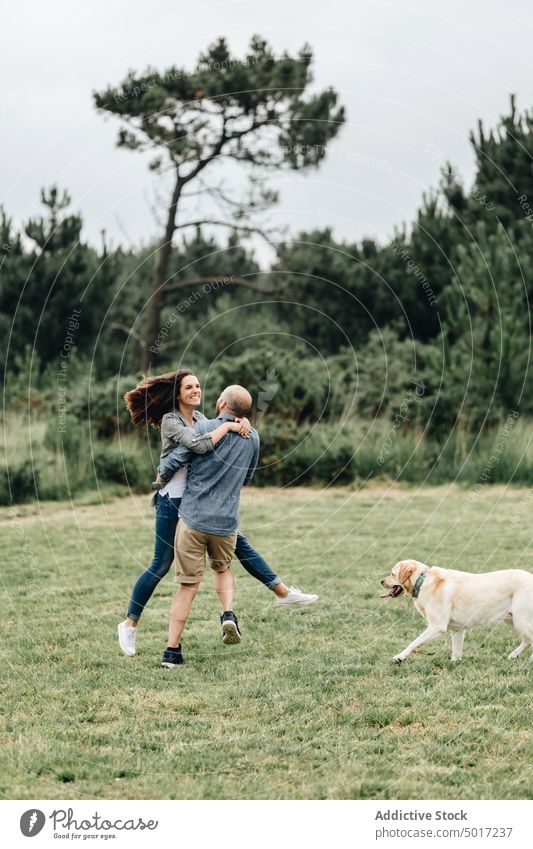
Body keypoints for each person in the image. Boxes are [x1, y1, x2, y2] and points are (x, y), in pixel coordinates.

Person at [117, 370, 317, 657]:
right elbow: (198, 445)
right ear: (177, 393)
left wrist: (240, 419)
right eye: (189, 387)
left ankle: (282, 592)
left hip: (195, 500)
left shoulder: (200, 420)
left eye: (198, 385)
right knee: (160, 565)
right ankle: (129, 624)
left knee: (238, 541)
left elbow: (214, 428)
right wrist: (230, 427)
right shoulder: (170, 420)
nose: (196, 390)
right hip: (171, 499)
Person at [160, 384, 260, 667]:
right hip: (226, 521)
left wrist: (161, 477)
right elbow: (248, 477)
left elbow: (178, 458)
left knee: (188, 586)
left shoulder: (202, 428)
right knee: (223, 569)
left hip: (193, 518)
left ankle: (172, 652)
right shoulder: (252, 437)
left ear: (219, 404)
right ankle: (228, 613)